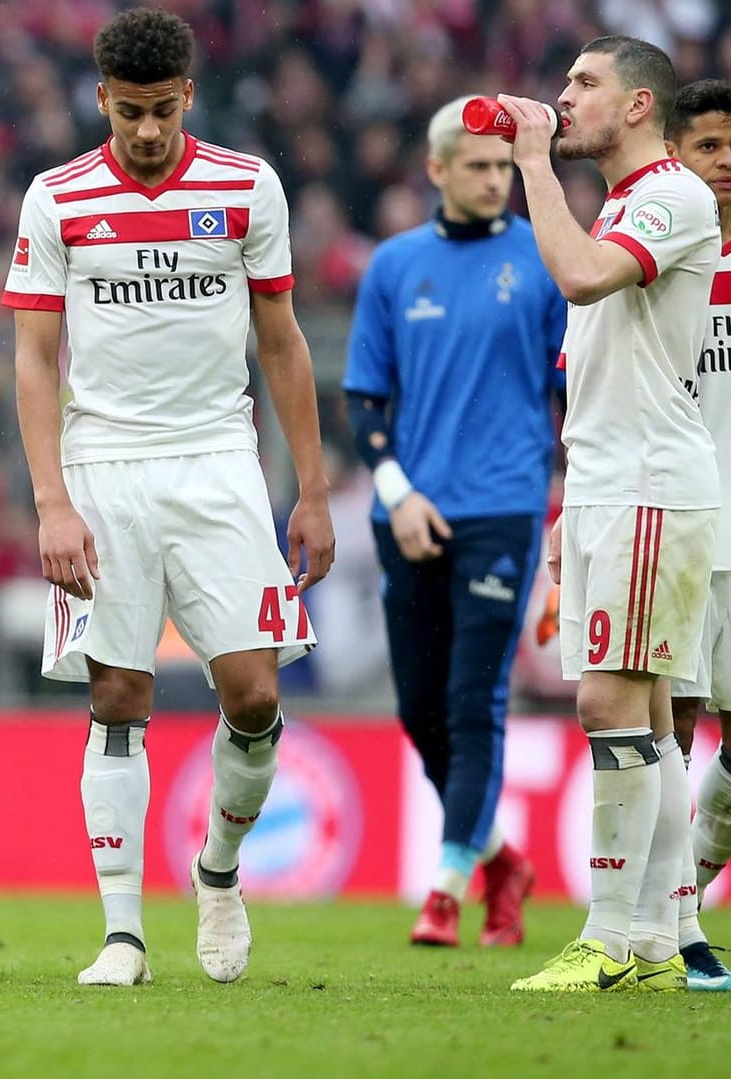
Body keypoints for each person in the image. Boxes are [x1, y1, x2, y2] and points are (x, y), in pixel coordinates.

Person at [5, 8, 335, 987]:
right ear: (100, 97)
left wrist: (309, 488)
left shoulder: (245, 185)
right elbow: (30, 357)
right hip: (103, 464)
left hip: (219, 461)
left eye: (162, 110)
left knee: (255, 691)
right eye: (128, 111)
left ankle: (218, 870)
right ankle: (122, 935)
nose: (146, 131)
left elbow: (280, 338)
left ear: (188, 94)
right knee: (118, 691)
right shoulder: (56, 197)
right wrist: (49, 501)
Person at [498, 35, 718, 993]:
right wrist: (567, 504)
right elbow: (590, 371)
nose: (565, 96)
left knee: (611, 703)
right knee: (655, 716)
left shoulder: (674, 193)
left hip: (649, 482)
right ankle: (664, 940)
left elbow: (582, 277)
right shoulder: (627, 205)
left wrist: (533, 164)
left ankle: (609, 938)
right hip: (603, 482)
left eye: (586, 84)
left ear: (638, 106)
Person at [343, 96, 563, 949]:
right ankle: (503, 859)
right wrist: (397, 491)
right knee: (418, 711)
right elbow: (365, 397)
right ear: (436, 170)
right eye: (477, 165)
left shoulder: (545, 259)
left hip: (503, 509)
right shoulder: (396, 267)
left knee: (474, 704)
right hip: (409, 514)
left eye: (504, 166)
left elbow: (569, 389)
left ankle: (443, 889)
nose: (494, 179)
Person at [661, 77, 731, 991]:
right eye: (710, 146)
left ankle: (688, 889)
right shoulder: (645, 250)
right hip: (680, 524)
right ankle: (676, 925)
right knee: (667, 731)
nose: (728, 164)